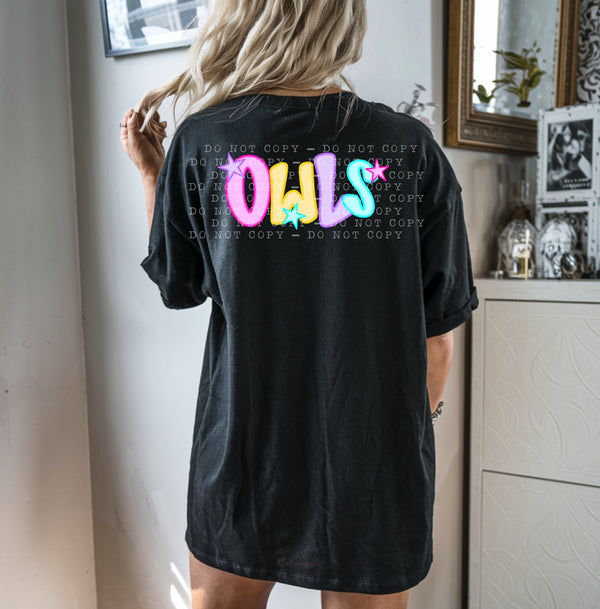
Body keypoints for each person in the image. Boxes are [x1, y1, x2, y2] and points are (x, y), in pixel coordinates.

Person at [120, 1, 479, 607]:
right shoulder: (409, 148)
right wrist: (403, 432)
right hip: (371, 472)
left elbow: (178, 287)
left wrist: (153, 175)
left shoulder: (204, 141)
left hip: (241, 461)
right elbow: (438, 337)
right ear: (343, 24)